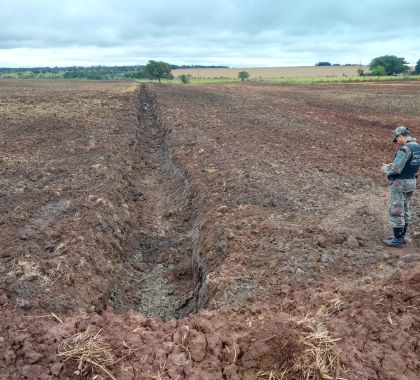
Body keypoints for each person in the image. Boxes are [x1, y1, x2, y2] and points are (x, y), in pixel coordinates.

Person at [382, 126, 420, 247]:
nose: (397, 141)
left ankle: (397, 240)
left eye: (397, 138)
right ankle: (401, 237)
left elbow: (395, 169)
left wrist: (385, 168)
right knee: (406, 207)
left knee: (396, 209)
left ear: (401, 136)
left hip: (400, 183)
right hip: (411, 181)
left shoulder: (405, 149)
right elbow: (410, 164)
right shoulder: (417, 147)